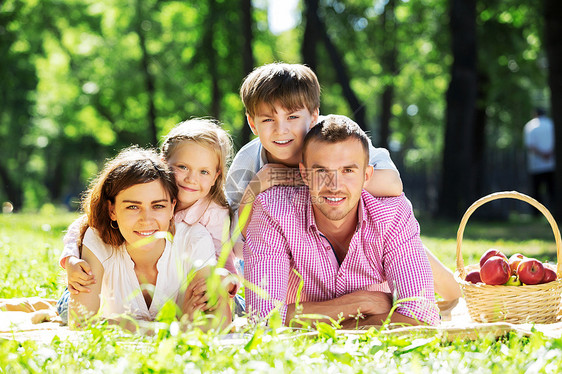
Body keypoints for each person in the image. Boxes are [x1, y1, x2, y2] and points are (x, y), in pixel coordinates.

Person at [225, 62, 460, 302]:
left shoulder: (336, 135)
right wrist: (257, 186)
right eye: (267, 120)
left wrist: (295, 178)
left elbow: (392, 184)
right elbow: (238, 241)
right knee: (292, 305)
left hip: (354, 231)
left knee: (451, 293)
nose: (281, 130)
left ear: (314, 116)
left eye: (293, 116)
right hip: (290, 247)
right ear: (252, 123)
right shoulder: (247, 161)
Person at [244, 115, 439, 327]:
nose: (334, 185)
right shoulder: (273, 211)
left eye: (347, 170)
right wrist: (361, 303)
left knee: (453, 291)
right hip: (369, 326)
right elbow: (262, 318)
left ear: (366, 175)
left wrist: (313, 327)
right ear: (304, 174)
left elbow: (422, 315)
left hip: (308, 336)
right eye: (321, 171)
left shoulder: (393, 214)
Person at [58, 119, 240, 321]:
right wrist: (71, 259)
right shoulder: (146, 186)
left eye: (158, 206)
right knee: (67, 310)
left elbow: (222, 257)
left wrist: (225, 280)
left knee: (235, 307)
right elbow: (86, 225)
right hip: (119, 280)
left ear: (216, 176)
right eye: (182, 167)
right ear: (163, 163)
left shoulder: (212, 214)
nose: (191, 179)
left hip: (202, 279)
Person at [524, 107, 555, 208]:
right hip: (551, 162)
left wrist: (542, 154)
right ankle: (554, 209)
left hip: (536, 164)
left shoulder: (530, 126)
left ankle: (536, 212)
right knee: (552, 189)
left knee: (536, 190)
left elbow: (530, 146)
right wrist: (548, 154)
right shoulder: (551, 124)